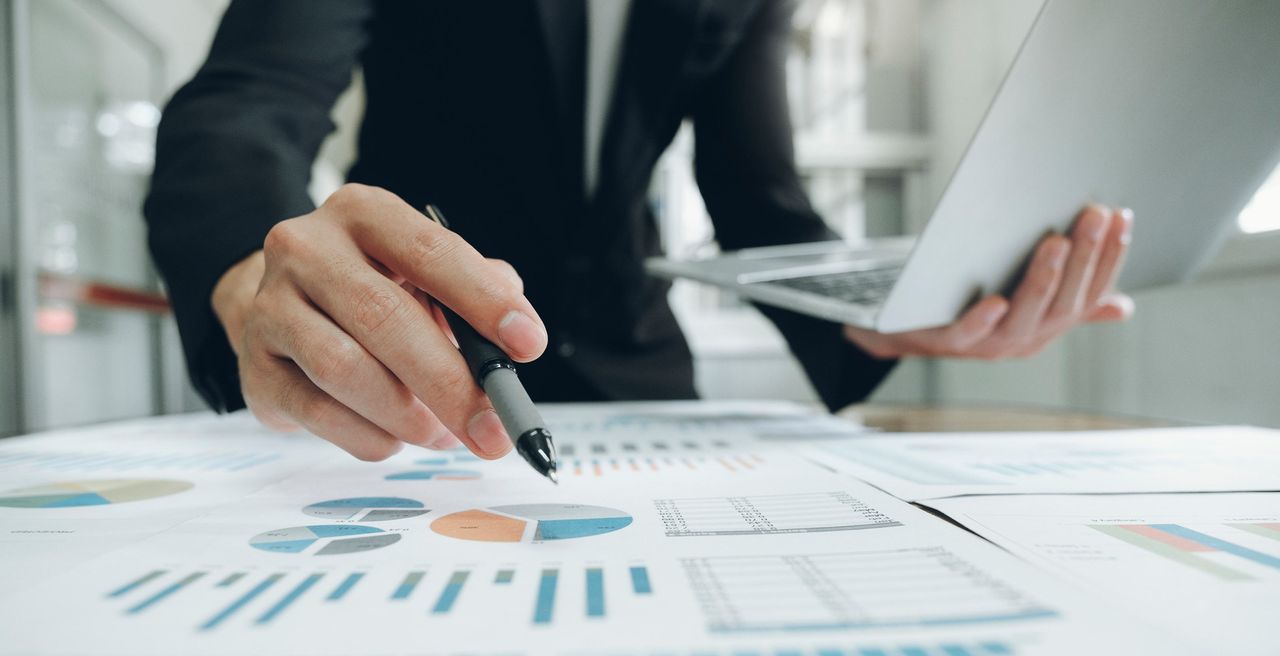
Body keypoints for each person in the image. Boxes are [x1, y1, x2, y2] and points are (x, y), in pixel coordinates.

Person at [145, 0, 1134, 463]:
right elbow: (246, 103)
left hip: (642, 360)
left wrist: (884, 313)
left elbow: (758, 196)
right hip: (408, 367)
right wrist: (244, 280)